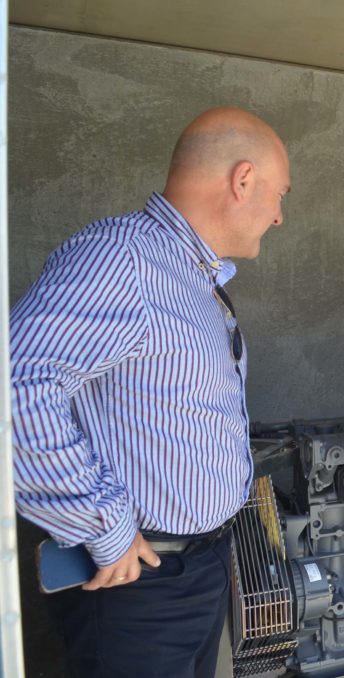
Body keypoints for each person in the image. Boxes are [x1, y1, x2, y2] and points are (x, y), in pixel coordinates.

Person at [11, 107, 291, 678]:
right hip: (137, 584)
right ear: (243, 180)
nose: (279, 216)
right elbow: (15, 388)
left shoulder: (191, 277)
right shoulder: (124, 260)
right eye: (279, 194)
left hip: (200, 568)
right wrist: (105, 526)